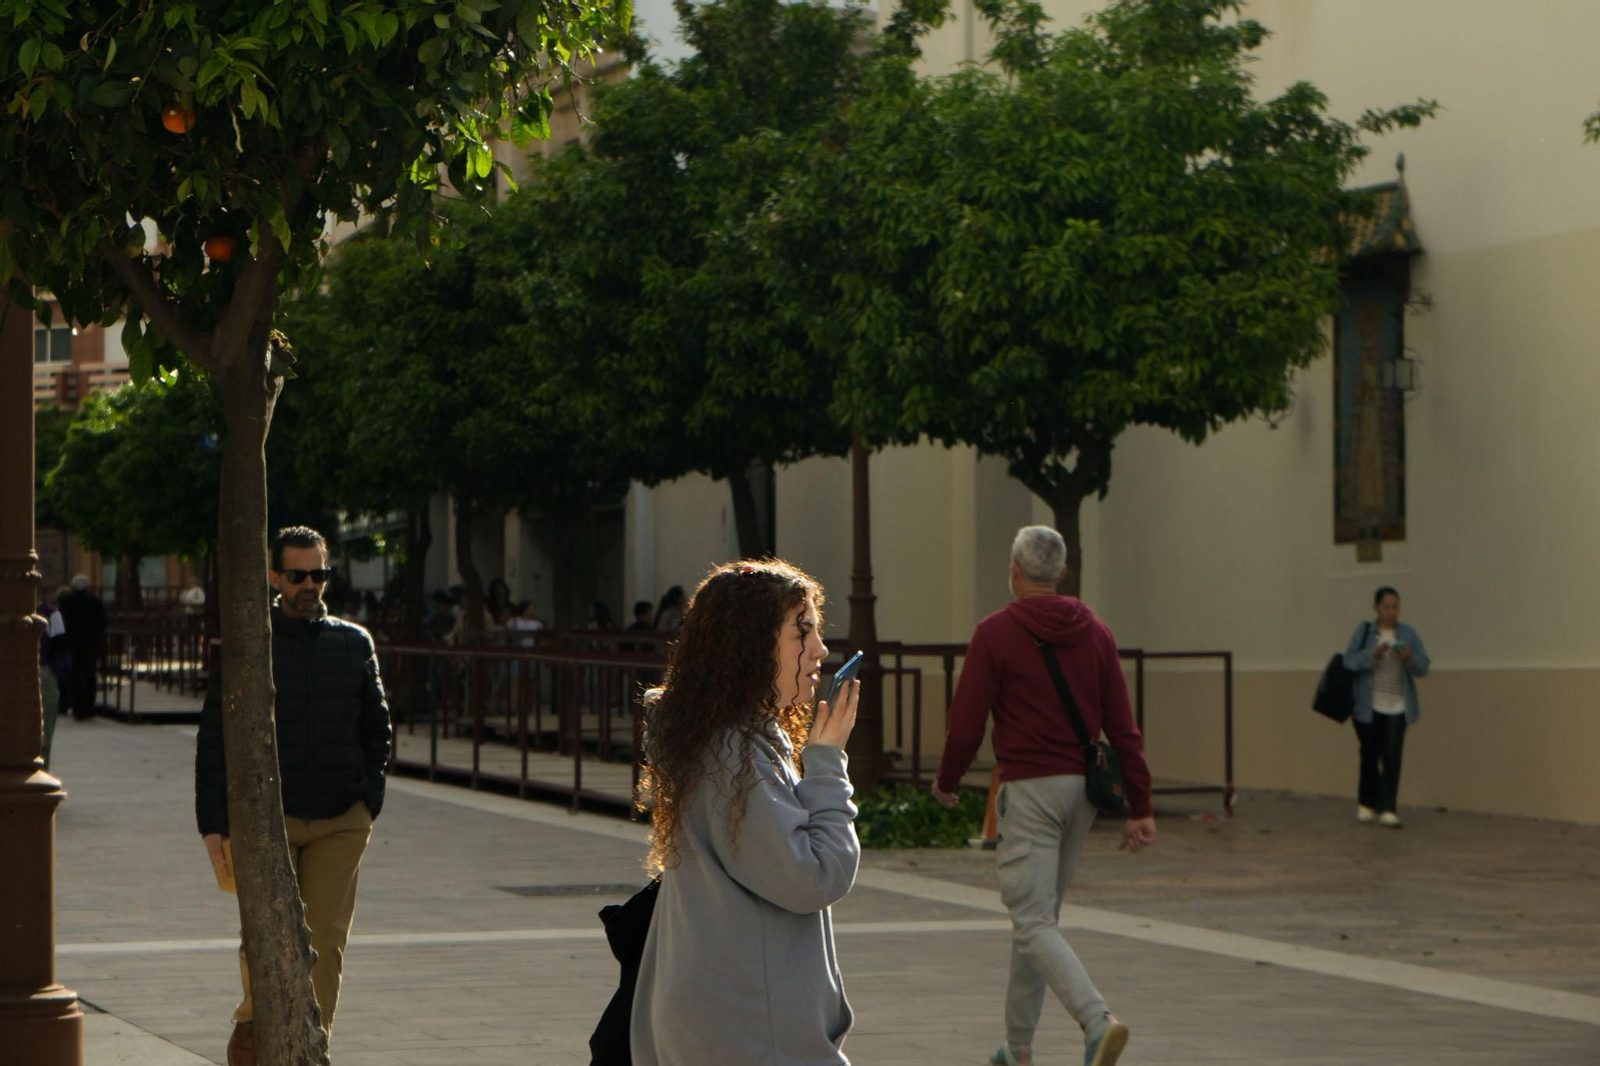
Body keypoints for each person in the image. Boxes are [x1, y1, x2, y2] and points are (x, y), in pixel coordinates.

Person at [931, 526, 1155, 1066]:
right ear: (1060, 575)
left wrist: (946, 780)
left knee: (1032, 922)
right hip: (1082, 793)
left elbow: (965, 724)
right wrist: (1140, 805)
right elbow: (1123, 727)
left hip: (1029, 790)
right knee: (1038, 922)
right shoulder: (1096, 633)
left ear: (1014, 570)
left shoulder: (995, 633)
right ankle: (1019, 1047)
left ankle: (1097, 1022)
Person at [631, 560, 861, 1065]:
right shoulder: (733, 750)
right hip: (750, 1028)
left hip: (727, 1018)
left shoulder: (724, 736)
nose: (820, 649)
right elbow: (814, 876)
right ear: (750, 644)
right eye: (803, 632)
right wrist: (826, 764)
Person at [195, 526, 392, 1066]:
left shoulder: (353, 643)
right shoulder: (248, 642)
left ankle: (309, 1047)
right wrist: (213, 821)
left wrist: (368, 797)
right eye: (299, 575)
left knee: (324, 943)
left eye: (320, 574)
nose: (311, 585)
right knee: (262, 938)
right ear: (275, 577)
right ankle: (254, 1027)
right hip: (265, 820)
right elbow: (216, 735)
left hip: (340, 819)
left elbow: (379, 729)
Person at [1342, 586, 1430, 828]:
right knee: (1370, 753)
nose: (1391, 612)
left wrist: (1409, 658)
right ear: (1376, 608)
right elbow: (1349, 660)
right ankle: (1367, 804)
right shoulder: (1365, 632)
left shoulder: (1408, 634)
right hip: (1368, 705)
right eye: (1386, 607)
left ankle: (1389, 807)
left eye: (1395, 607)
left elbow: (1423, 666)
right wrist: (1373, 655)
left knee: (1392, 754)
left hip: (1397, 705)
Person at [57, 574, 107, 720]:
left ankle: (78, 709)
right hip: (91, 644)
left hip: (73, 644)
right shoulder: (95, 601)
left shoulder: (67, 601)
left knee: (75, 674)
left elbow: (62, 621)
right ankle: (89, 707)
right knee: (90, 674)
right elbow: (102, 622)